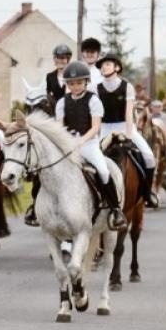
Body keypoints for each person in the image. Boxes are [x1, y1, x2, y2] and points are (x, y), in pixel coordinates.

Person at [55, 61, 128, 229]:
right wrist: (66, 142)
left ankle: (115, 208)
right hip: (68, 143)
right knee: (48, 166)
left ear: (86, 82)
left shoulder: (94, 101)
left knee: (103, 170)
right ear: (67, 84)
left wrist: (81, 141)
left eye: (79, 83)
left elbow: (95, 127)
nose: (75, 86)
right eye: (72, 83)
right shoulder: (61, 103)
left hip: (89, 143)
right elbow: (59, 127)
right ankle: (37, 208)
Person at [96, 55, 158, 208]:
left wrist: (129, 135)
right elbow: (96, 115)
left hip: (124, 126)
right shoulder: (96, 88)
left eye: (108, 64)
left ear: (117, 68)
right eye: (102, 65)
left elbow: (129, 113)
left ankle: (147, 194)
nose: (104, 67)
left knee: (149, 158)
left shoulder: (127, 87)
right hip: (104, 128)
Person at [43, 43, 73, 111]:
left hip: (71, 110)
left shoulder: (73, 75)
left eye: (62, 58)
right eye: (57, 58)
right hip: (55, 111)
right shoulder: (49, 76)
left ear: (68, 59)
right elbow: (48, 94)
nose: (59, 61)